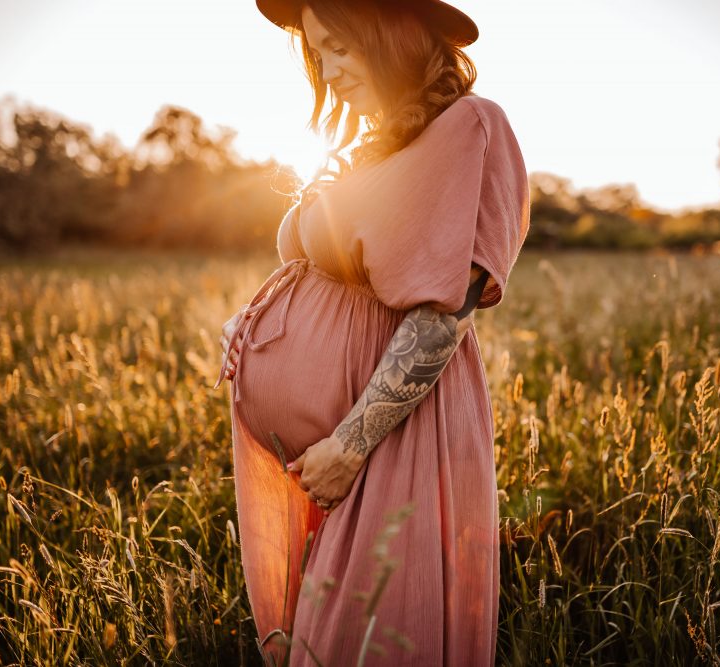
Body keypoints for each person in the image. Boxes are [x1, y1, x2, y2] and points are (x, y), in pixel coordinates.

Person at [215, 0, 530, 664]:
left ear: (393, 35)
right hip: (324, 453)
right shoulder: (372, 146)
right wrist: (250, 324)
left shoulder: (471, 125)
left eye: (341, 47)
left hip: (392, 436)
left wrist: (351, 444)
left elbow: (445, 312)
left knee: (367, 641)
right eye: (317, 53)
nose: (328, 70)